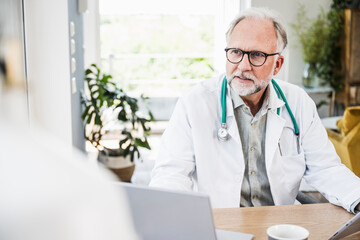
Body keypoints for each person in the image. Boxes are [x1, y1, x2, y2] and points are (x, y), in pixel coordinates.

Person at [150, 7, 360, 213]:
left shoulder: (298, 103)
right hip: (221, 225)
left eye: (257, 55)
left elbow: (326, 168)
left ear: (277, 65)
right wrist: (167, 215)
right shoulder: (194, 103)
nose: (243, 66)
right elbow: (171, 175)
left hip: (281, 225)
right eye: (236, 52)